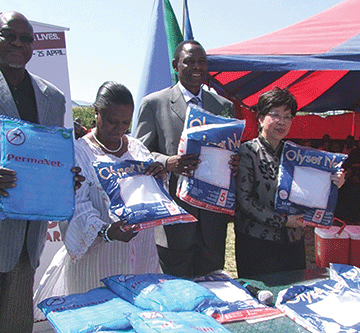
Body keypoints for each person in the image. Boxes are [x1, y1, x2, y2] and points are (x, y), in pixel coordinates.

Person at [34, 82, 163, 315]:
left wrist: (156, 180)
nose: (120, 129)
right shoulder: (78, 152)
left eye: (126, 122)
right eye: (113, 121)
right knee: (101, 319)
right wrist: (106, 232)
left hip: (141, 255)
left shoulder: (138, 148)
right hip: (97, 262)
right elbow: (76, 205)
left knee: (141, 319)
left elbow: (148, 195)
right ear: (97, 111)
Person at [0, 11, 84, 332]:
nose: (18, 44)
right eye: (9, 35)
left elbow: (51, 156)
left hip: (26, 238)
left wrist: (64, 178)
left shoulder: (52, 98)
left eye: (26, 38)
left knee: (16, 325)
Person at [135, 40, 239, 278]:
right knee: (177, 293)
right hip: (175, 218)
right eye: (189, 61)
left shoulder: (223, 106)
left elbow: (231, 149)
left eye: (202, 62)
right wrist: (168, 163)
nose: (197, 67)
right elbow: (139, 154)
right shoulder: (154, 104)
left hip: (213, 221)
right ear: (175, 65)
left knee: (213, 291)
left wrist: (234, 161)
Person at [235, 87, 345, 278]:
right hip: (257, 243)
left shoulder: (297, 154)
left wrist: (334, 183)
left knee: (293, 295)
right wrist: (284, 221)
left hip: (293, 243)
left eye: (288, 116)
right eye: (275, 114)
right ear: (260, 118)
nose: (282, 122)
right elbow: (244, 201)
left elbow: (311, 191)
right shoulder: (247, 152)